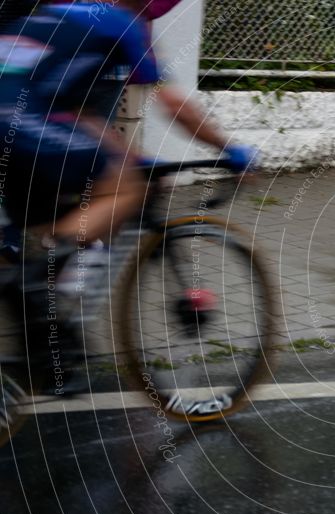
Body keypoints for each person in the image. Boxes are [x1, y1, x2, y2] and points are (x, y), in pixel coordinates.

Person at [0, 0, 257, 392]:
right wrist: (229, 147)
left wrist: (125, 156)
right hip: (26, 126)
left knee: (57, 214)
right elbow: (175, 105)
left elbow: (74, 115)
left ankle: (44, 328)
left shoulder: (57, 12)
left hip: (13, 125)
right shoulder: (123, 25)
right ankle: (35, 287)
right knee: (127, 189)